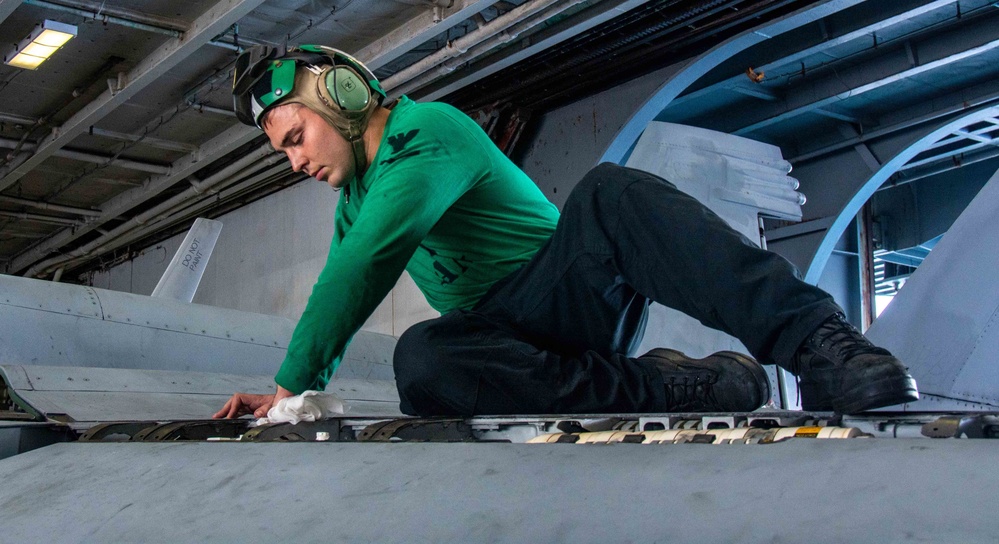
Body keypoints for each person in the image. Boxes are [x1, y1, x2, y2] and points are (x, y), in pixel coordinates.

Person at [214, 44, 918, 420]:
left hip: (572, 288)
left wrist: (289, 382)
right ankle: (669, 388)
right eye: (284, 152)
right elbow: (340, 283)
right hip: (504, 333)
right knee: (423, 360)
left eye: (295, 138)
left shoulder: (426, 130)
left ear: (338, 101)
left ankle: (826, 349)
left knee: (610, 192)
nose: (296, 160)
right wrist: (293, 396)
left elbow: (362, 266)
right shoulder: (353, 198)